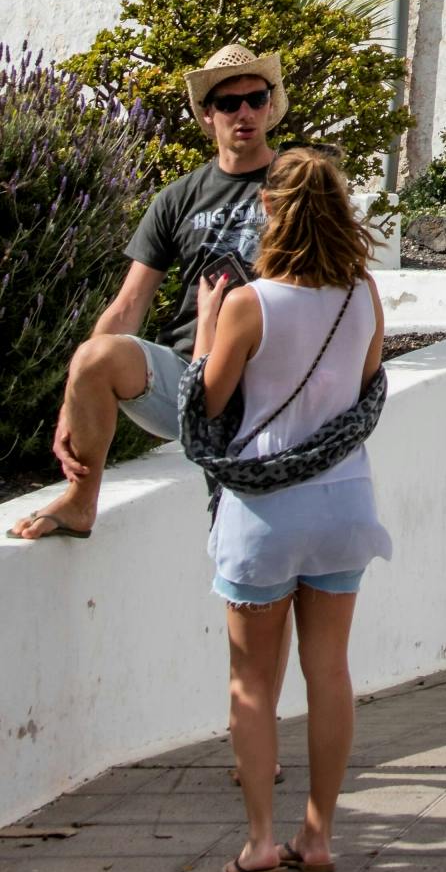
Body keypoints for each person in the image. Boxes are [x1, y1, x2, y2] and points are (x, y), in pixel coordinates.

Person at [198, 146, 390, 872]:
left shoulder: (251, 302)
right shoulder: (363, 294)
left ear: (269, 211)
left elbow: (211, 404)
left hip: (265, 511)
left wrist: (212, 326)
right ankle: (317, 837)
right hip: (345, 501)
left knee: (253, 681)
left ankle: (258, 842)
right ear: (341, 211)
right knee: (329, 671)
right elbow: (365, 390)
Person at [10, 43, 284, 542]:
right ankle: (79, 501)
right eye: (228, 103)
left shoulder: (296, 184)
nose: (244, 112)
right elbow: (129, 304)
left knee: (246, 540)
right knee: (96, 356)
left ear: (270, 105)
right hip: (189, 376)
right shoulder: (178, 197)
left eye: (256, 98)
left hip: (274, 376)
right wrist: (74, 398)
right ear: (207, 116)